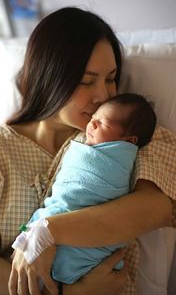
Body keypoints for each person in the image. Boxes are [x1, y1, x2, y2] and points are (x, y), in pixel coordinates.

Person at [0, 6, 174, 295]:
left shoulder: (128, 133)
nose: (103, 95)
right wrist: (67, 294)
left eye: (111, 78)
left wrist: (46, 231)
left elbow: (158, 209)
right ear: (49, 76)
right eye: (86, 80)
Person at [12, 93, 156, 285]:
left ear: (129, 142)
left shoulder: (120, 161)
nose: (92, 124)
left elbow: (75, 198)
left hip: (84, 233)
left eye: (102, 123)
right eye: (93, 119)